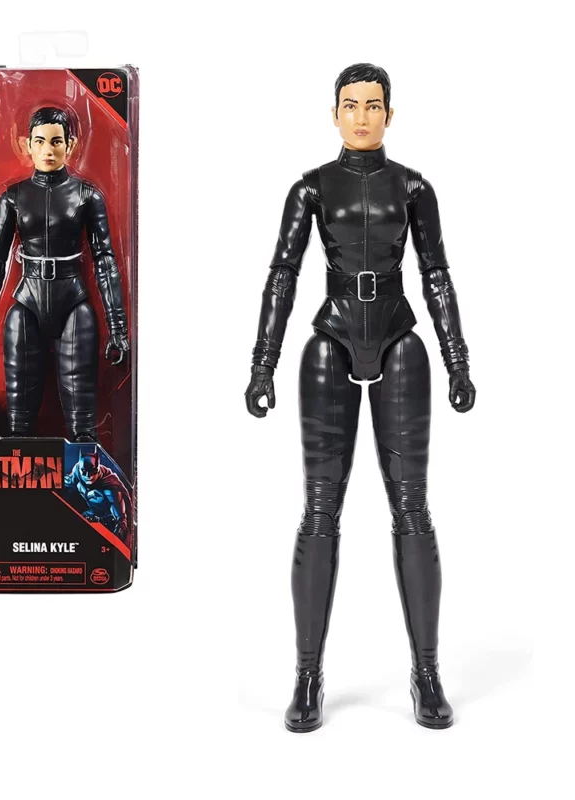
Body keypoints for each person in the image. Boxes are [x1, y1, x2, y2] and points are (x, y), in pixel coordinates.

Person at [245, 63, 476, 733]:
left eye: (374, 105)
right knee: (321, 510)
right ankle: (307, 675)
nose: (363, 116)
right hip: (332, 339)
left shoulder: (413, 187)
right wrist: (262, 366)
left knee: (412, 507)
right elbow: (282, 276)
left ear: (390, 115)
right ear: (335, 113)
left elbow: (437, 276)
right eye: (352, 105)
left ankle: (426, 672)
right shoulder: (312, 187)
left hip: (400, 336)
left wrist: (458, 361)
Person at [0, 107, 129, 441]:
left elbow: (105, 260)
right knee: (19, 428)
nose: (48, 150)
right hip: (26, 303)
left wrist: (118, 327)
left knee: (83, 429)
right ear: (27, 145)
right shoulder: (13, 197)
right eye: (39, 141)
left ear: (70, 145)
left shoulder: (87, 196)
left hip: (74, 303)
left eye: (56, 141)